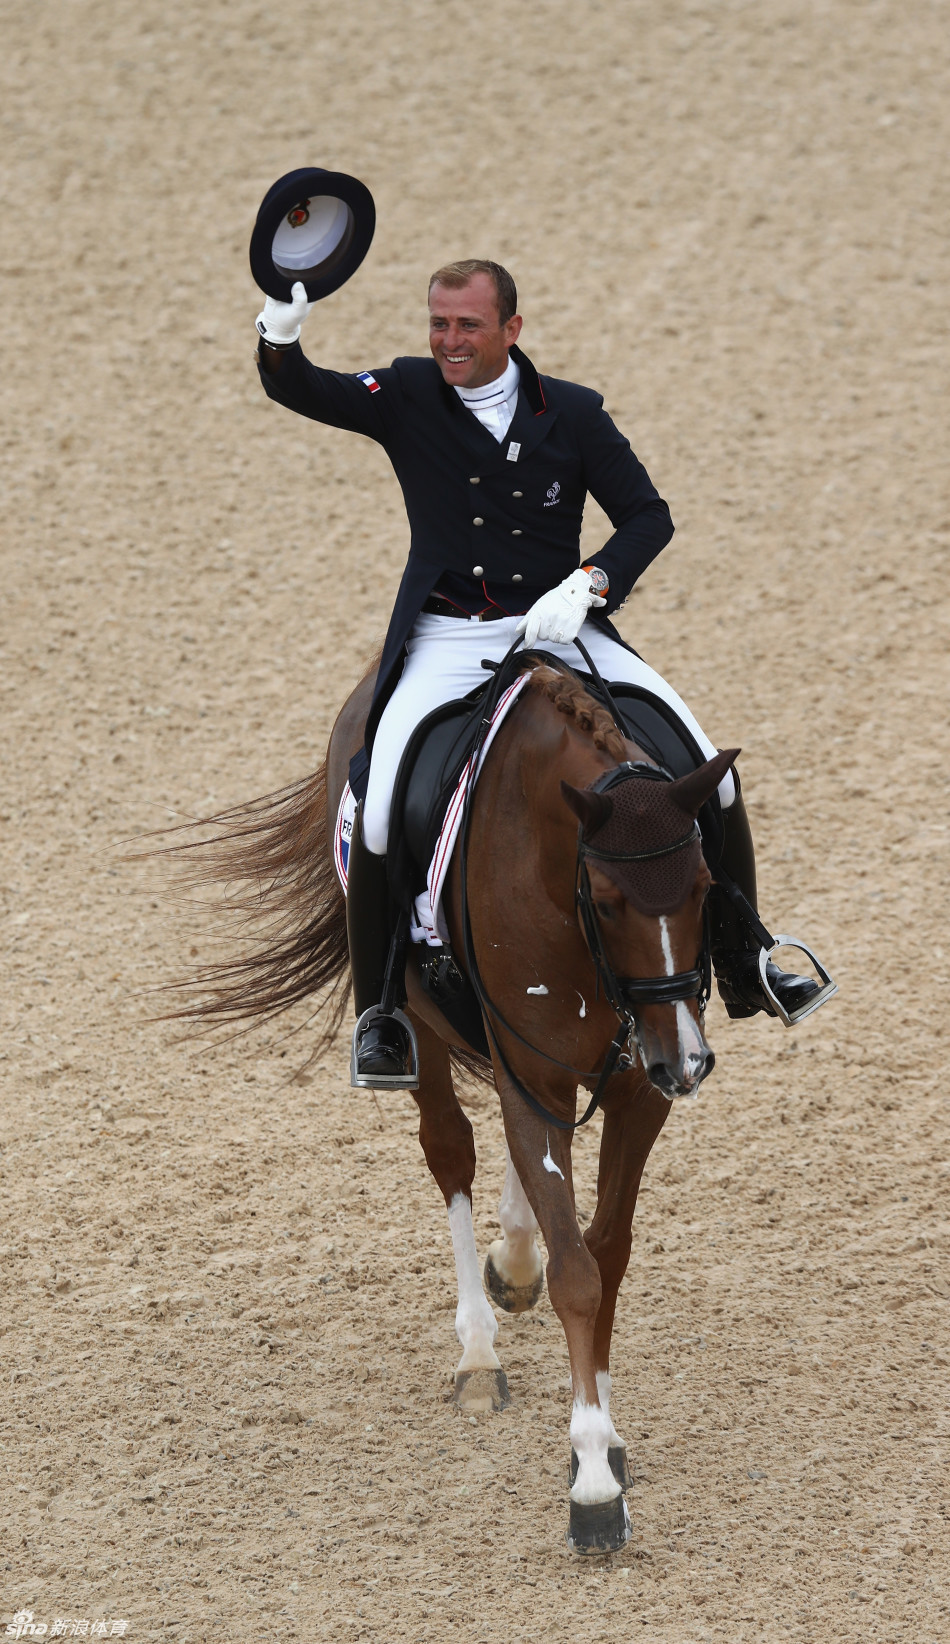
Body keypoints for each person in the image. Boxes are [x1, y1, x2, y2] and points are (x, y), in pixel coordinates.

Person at [254, 260, 829, 1082]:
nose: (449, 341)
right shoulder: (410, 395)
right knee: (380, 806)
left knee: (714, 776)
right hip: (450, 639)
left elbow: (647, 516)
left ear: (511, 331)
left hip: (564, 628)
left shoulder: (575, 414)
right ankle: (384, 1012)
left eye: (468, 326)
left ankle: (750, 958)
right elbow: (306, 390)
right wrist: (279, 331)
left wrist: (591, 583)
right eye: (438, 324)